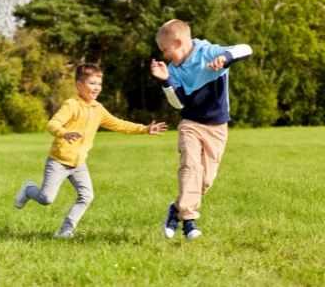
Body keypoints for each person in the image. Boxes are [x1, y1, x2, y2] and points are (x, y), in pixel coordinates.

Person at [15, 64, 167, 238]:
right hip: (59, 160)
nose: (97, 88)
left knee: (86, 196)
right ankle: (28, 190)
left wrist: (145, 129)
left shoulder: (98, 109)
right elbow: (53, 124)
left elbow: (118, 124)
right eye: (93, 83)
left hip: (79, 164)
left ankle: (65, 230)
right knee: (45, 199)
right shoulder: (71, 105)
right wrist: (65, 132)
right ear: (79, 85)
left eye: (99, 84)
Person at [151, 19, 252, 242]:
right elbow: (179, 104)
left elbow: (246, 49)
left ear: (178, 43)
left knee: (204, 180)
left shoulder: (208, 51)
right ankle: (189, 222)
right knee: (190, 165)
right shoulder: (174, 70)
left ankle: (175, 209)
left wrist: (225, 57)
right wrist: (166, 79)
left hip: (217, 127)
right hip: (191, 123)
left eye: (165, 50)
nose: (165, 56)